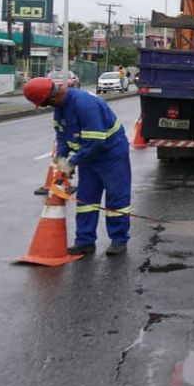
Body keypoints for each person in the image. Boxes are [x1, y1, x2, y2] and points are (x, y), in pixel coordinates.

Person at [24, 76, 131, 256]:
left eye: (44, 104)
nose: (46, 107)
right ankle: (85, 241)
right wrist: (61, 161)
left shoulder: (85, 105)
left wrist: (72, 163)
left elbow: (96, 142)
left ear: (50, 99)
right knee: (86, 199)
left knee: (116, 197)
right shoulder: (60, 109)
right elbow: (62, 136)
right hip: (88, 156)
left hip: (111, 154)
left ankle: (119, 240)